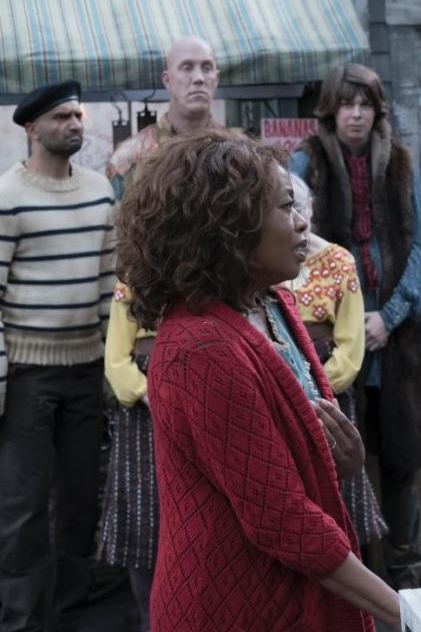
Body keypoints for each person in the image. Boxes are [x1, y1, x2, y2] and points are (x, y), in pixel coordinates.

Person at [117, 131, 400, 630]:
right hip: (230, 608)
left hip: (288, 594)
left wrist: (344, 464)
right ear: (230, 227)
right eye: (286, 207)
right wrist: (409, 613)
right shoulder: (201, 349)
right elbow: (281, 519)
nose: (303, 221)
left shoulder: (274, 306)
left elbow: (280, 468)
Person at [291, 64, 421, 589]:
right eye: (347, 104)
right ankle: (351, 579)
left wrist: (389, 317)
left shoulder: (399, 162)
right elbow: (292, 243)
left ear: (378, 111)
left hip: (395, 334)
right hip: (327, 336)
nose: (356, 114)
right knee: (335, 457)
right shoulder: (306, 162)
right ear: (331, 110)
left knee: (400, 457)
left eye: (366, 105)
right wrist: (346, 322)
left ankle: (405, 577)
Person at [0, 80, 116, 631]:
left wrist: (114, 368)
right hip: (26, 375)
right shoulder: (7, 196)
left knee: (81, 502)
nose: (74, 124)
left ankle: (72, 616)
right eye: (61, 117)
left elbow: (108, 286)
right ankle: (23, 622)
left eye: (77, 115)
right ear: (32, 127)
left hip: (86, 369)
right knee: (21, 507)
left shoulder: (99, 191)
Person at [283, 173, 389, 549]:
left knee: (338, 488)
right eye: (285, 208)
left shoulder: (339, 259)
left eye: (299, 206)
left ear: (311, 208)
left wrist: (312, 389)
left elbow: (350, 346)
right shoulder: (267, 261)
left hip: (328, 397)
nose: (295, 217)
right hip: (279, 391)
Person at [106, 36, 239, 201]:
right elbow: (118, 216)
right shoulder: (130, 158)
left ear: (216, 79)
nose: (198, 78)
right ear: (167, 80)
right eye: (187, 67)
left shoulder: (238, 153)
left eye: (206, 68)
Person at [98, 280, 158, 631]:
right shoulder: (135, 280)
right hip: (143, 416)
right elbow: (116, 360)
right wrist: (150, 393)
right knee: (143, 518)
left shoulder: (217, 275)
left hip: (198, 403)